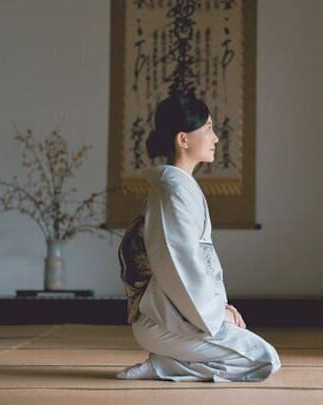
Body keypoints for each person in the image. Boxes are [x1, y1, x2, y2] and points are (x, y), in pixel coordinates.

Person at [115, 93, 281, 382]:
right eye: (207, 129)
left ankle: (168, 362)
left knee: (258, 354)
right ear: (183, 139)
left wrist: (221, 309)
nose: (215, 137)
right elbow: (181, 265)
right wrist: (216, 316)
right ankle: (165, 364)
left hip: (181, 314)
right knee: (263, 360)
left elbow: (197, 262)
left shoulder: (180, 187)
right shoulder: (173, 190)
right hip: (164, 321)